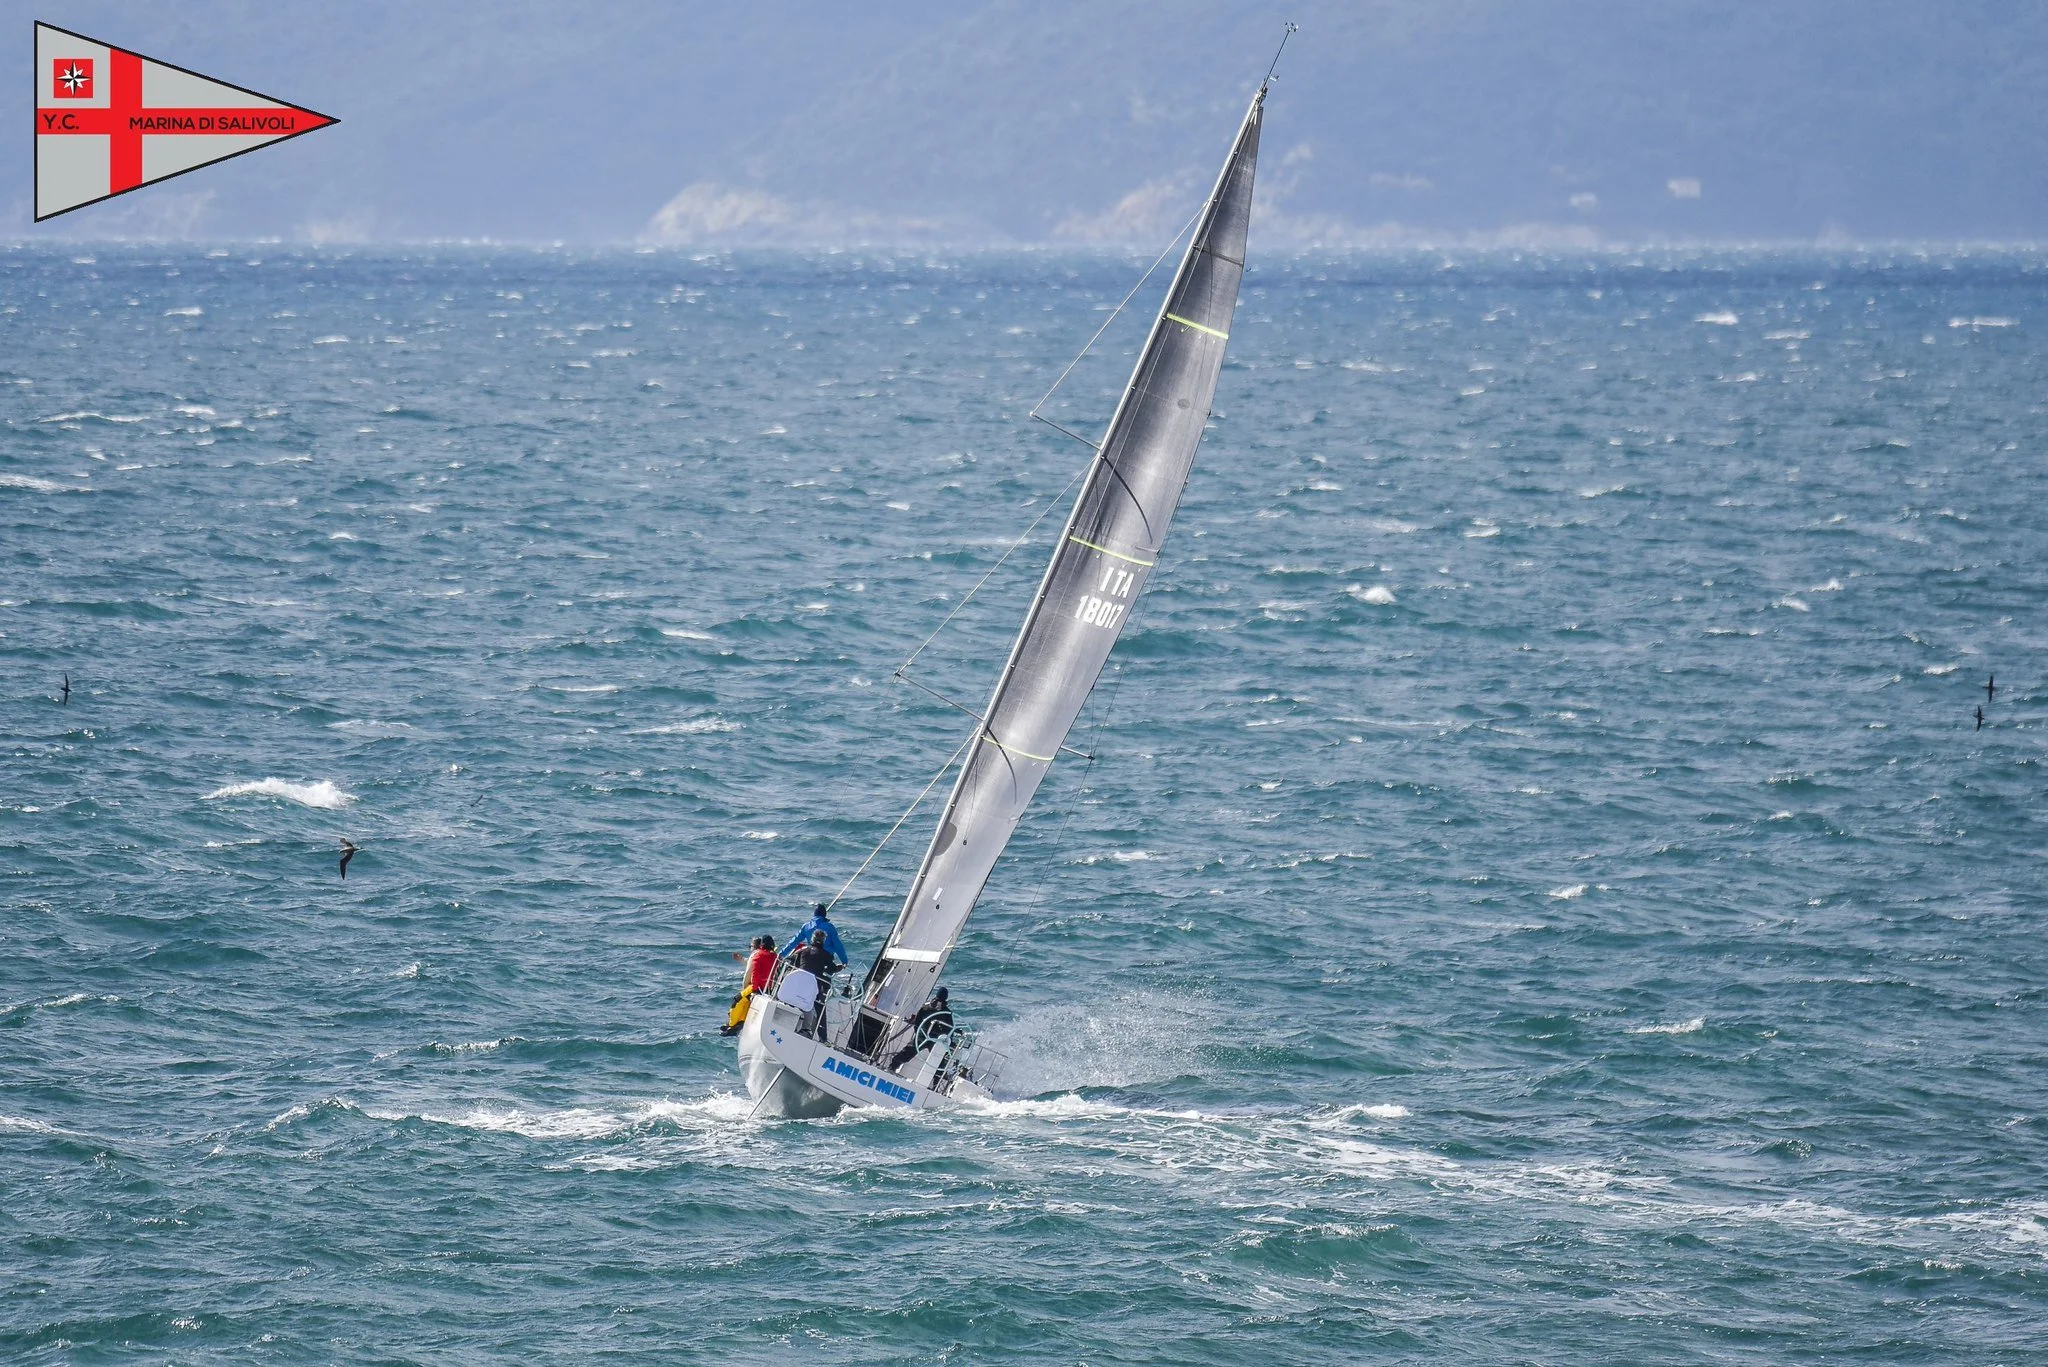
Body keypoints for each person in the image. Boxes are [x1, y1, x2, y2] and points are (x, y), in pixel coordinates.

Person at [786, 929, 842, 1037]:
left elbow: (791, 961)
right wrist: (840, 967)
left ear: (812, 938)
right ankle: (821, 1036)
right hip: (812, 989)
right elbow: (831, 969)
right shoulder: (826, 955)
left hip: (797, 986)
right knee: (819, 1007)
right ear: (823, 941)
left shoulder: (802, 951)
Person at [720, 935, 779, 1036]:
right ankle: (739, 1023)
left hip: (757, 987)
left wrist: (754, 990)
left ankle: (732, 1026)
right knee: (744, 1003)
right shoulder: (774, 956)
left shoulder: (759, 955)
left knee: (737, 1000)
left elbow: (754, 974)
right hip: (768, 988)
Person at [887, 987, 954, 1072]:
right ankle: (937, 1081)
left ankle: (892, 1067)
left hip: (922, 1036)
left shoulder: (925, 1007)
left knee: (907, 1052)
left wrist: (918, 1033)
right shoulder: (947, 1012)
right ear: (946, 997)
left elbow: (917, 1022)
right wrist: (949, 1042)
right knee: (938, 1062)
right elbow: (950, 1029)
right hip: (935, 1040)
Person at [780, 903, 848, 965]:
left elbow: (794, 941)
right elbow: (838, 945)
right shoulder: (829, 927)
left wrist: (782, 954)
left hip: (811, 957)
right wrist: (844, 961)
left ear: (814, 914)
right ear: (824, 915)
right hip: (826, 959)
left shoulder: (806, 926)